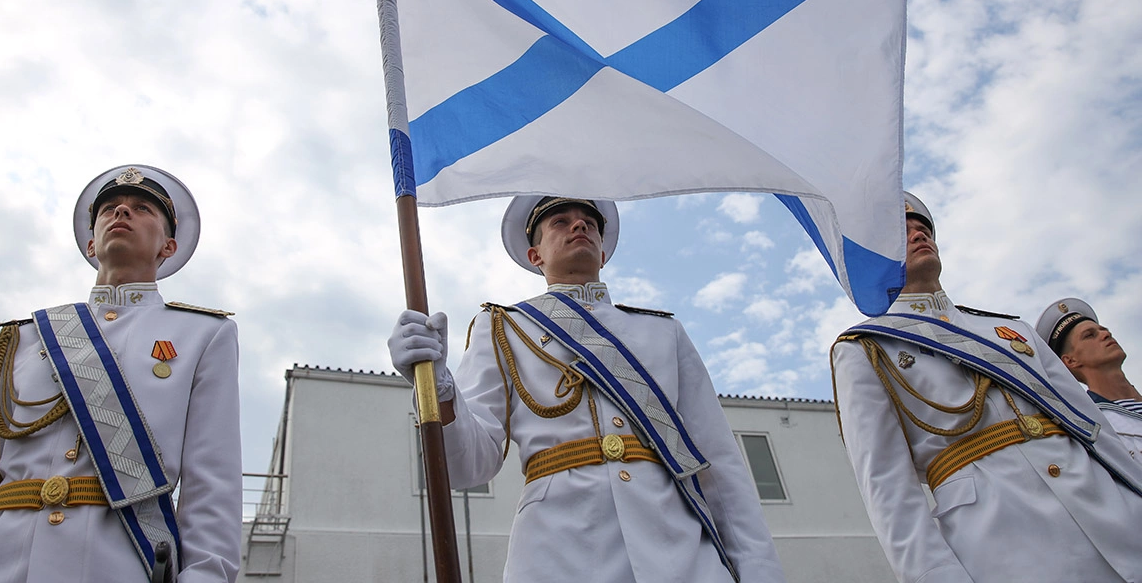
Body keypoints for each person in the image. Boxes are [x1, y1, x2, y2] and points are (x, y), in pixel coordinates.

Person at [388, 196, 785, 583]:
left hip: (680, 551)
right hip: (559, 550)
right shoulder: (503, 327)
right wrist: (440, 388)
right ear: (535, 255)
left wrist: (759, 572)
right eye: (560, 221)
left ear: (603, 252)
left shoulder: (664, 332)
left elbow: (719, 462)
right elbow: (467, 465)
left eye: (589, 223)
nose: (579, 226)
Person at [0, 165, 241, 583]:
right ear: (90, 241)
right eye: (109, 209)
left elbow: (213, 481)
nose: (121, 213)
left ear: (168, 246)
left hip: (115, 562)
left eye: (141, 209)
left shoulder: (203, 336)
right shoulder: (21, 338)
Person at [830, 192, 1142, 583]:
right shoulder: (867, 350)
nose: (917, 235)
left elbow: (1095, 428)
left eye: (923, 227)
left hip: (1114, 515)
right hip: (1005, 545)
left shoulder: (1010, 331)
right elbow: (888, 491)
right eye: (902, 232)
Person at [1037, 297, 1142, 461]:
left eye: (1103, 330)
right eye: (1090, 335)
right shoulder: (1090, 428)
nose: (1106, 334)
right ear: (1071, 361)